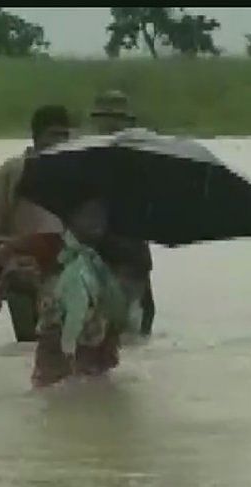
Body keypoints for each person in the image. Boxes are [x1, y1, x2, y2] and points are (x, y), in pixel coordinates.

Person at [0, 105, 72, 341]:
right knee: (28, 347)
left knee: (61, 344)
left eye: (64, 136)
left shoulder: (73, 173)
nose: (59, 142)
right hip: (19, 274)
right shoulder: (13, 172)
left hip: (62, 275)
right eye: (53, 135)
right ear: (36, 136)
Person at [32, 198, 134, 387]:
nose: (97, 222)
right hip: (67, 331)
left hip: (92, 327)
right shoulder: (72, 258)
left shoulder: (97, 256)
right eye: (90, 216)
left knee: (81, 385)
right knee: (67, 384)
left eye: (100, 217)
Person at [88, 89, 157, 337]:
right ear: (95, 122)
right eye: (106, 118)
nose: (112, 124)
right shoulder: (82, 162)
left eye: (117, 119)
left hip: (133, 262)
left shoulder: (142, 163)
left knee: (136, 335)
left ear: (130, 124)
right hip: (96, 262)